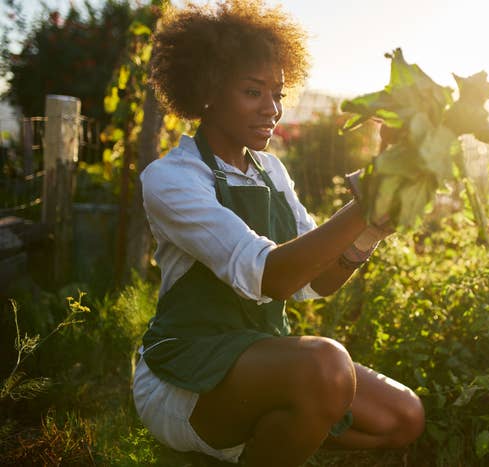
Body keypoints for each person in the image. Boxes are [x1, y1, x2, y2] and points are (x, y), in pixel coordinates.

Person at [132, 1, 424, 466]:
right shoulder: (172, 178)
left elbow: (318, 280)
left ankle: (287, 429)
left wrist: (371, 229)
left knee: (404, 416)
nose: (273, 109)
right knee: (327, 365)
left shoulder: (271, 171)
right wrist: (367, 198)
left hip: (263, 359)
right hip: (188, 373)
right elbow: (271, 277)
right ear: (208, 91)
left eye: (278, 94)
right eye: (254, 92)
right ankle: (286, 425)